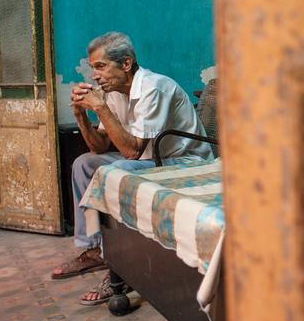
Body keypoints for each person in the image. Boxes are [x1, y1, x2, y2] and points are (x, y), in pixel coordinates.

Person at [50, 31, 213, 305]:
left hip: (183, 161)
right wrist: (80, 115)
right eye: (93, 68)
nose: (95, 76)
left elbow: (132, 151)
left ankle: (121, 263)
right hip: (149, 160)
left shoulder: (153, 88)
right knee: (84, 164)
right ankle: (94, 249)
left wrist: (100, 108)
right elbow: (99, 147)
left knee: (116, 172)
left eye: (101, 67)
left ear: (126, 63)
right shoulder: (113, 93)